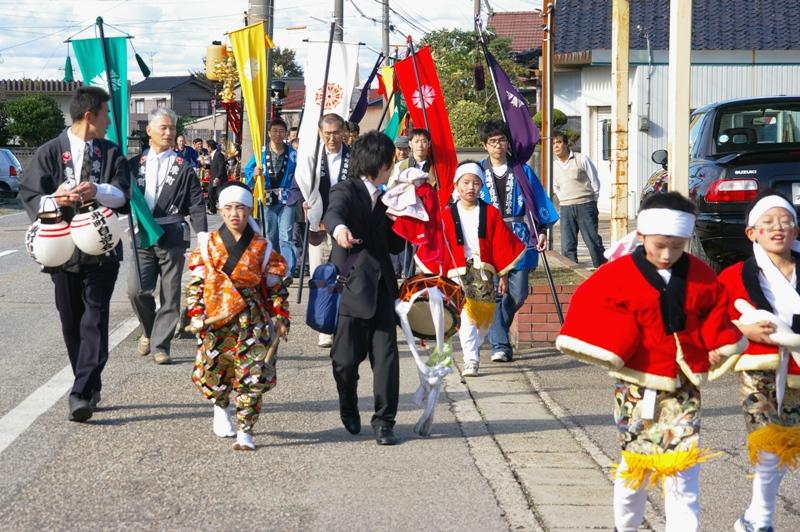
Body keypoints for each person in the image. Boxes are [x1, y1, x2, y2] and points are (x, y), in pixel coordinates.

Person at [555, 192, 746, 532]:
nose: (668, 254)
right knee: (637, 466)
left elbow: (714, 314)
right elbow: (591, 306)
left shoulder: (700, 274)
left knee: (683, 466)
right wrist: (618, 344)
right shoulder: (617, 274)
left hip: (683, 385)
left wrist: (715, 345)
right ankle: (626, 526)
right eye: (660, 245)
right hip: (635, 385)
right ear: (641, 235)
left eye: (677, 246)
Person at [19, 86, 130, 422]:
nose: (109, 121)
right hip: (62, 250)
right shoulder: (50, 151)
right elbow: (30, 195)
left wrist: (97, 190)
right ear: (89, 116)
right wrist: (55, 199)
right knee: (71, 322)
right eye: (106, 115)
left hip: (101, 248)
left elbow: (122, 195)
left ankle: (79, 392)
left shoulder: (111, 153)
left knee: (95, 318)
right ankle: (90, 381)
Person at [717, 190, 800, 532]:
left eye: (785, 222)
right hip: (759, 369)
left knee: (788, 445)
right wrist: (743, 328)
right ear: (752, 232)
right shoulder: (734, 276)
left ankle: (752, 515)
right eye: (768, 222)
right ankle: (762, 521)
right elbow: (712, 320)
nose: (778, 228)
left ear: (796, 230)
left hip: (797, 369)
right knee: (768, 443)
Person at [186, 181, 290, 451]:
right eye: (229, 208)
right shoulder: (208, 244)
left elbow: (274, 285)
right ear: (220, 211)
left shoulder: (263, 247)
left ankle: (246, 430)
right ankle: (221, 406)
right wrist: (196, 313)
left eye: (241, 208)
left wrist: (281, 315)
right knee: (214, 369)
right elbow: (197, 284)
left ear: (249, 210)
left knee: (252, 374)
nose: (235, 213)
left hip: (251, 319)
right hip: (216, 317)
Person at [323, 130, 405, 445]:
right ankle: (348, 402)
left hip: (383, 288)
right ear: (378, 163)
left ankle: (384, 422)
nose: (392, 166)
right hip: (350, 288)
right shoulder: (346, 189)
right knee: (344, 362)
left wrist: (405, 216)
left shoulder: (389, 199)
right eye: (389, 161)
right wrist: (340, 231)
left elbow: (395, 246)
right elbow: (334, 213)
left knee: (386, 360)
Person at [416, 162, 525, 377]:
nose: (470, 188)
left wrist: (503, 275)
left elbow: (501, 243)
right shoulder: (447, 214)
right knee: (466, 317)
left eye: (475, 183)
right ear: (456, 185)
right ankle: (471, 360)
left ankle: (475, 345)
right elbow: (437, 242)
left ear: (481, 186)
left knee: (482, 321)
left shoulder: (490, 213)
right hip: (457, 272)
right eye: (465, 183)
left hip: (483, 272)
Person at [127, 108, 207, 365]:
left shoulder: (184, 167)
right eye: (163, 127)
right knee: (136, 290)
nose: (169, 132)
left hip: (172, 235)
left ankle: (161, 345)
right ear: (149, 130)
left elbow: (196, 203)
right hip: (143, 235)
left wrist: (203, 235)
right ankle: (150, 331)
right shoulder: (133, 165)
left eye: (172, 128)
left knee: (170, 294)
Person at [477, 119, 558, 363]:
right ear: (485, 145)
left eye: (502, 140)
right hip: (489, 236)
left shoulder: (522, 170)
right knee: (493, 293)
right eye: (492, 141)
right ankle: (500, 345)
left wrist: (541, 229)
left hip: (518, 236)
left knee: (519, 293)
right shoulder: (478, 171)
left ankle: (497, 328)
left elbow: (537, 200)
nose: (498, 145)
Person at [295, 112, 351, 348]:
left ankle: (342, 324)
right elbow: (299, 188)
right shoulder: (311, 158)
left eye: (336, 133)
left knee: (343, 276)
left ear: (344, 132)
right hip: (317, 224)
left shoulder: (353, 158)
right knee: (319, 275)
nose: (332, 138)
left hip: (345, 226)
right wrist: (305, 206)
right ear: (320, 133)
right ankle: (323, 325)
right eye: (327, 133)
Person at [244, 117, 298, 277]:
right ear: (269, 133)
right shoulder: (260, 153)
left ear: (286, 133)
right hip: (267, 196)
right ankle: (273, 267)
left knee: (286, 235)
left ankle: (287, 271)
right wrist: (254, 174)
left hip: (287, 197)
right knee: (270, 234)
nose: (278, 134)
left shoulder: (293, 153)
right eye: (274, 131)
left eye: (281, 131)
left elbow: (301, 173)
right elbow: (248, 170)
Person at [552, 131, 606, 267]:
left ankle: (602, 268)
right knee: (567, 244)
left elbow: (595, 182)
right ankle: (572, 270)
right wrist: (563, 198)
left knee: (592, 241)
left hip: (585, 205)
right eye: (553, 144)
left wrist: (593, 200)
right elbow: (555, 186)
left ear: (566, 144)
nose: (556, 146)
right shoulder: (553, 165)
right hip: (566, 208)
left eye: (558, 142)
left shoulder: (581, 159)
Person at [206, 138, 226, 213]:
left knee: (219, 194)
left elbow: (221, 166)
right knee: (210, 192)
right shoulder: (212, 154)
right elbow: (212, 165)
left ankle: (215, 209)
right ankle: (212, 209)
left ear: (210, 147)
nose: (207, 149)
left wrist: (218, 177)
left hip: (219, 178)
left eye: (207, 147)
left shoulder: (219, 154)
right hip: (213, 177)